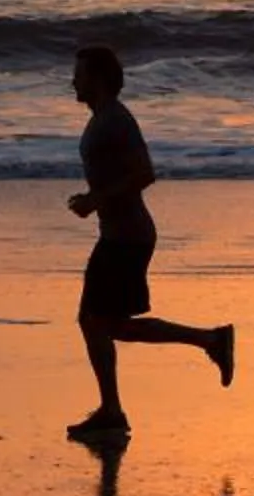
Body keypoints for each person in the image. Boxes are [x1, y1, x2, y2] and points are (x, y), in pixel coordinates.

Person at [63, 43, 233, 441]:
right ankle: (114, 407)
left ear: (98, 79)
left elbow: (144, 173)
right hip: (119, 235)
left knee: (101, 322)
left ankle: (208, 341)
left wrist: (95, 200)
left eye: (79, 75)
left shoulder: (116, 119)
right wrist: (93, 199)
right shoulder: (104, 119)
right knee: (103, 323)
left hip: (127, 238)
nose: (73, 82)